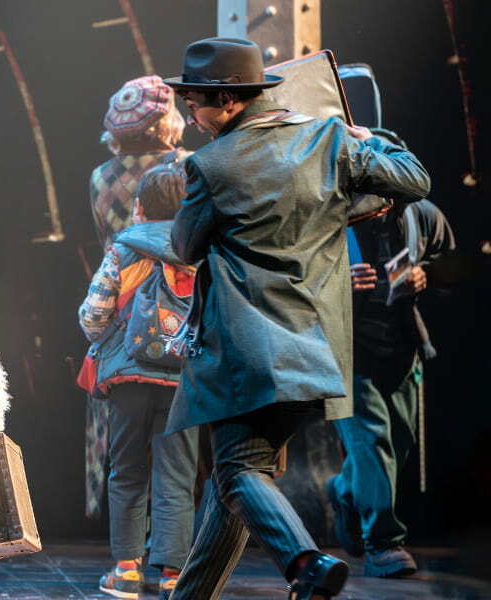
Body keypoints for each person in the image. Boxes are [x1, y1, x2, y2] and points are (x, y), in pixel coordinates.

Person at [161, 38, 431, 599]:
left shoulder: (210, 166)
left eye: (194, 101)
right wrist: (367, 140)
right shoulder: (327, 140)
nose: (189, 112)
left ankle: (306, 562)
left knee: (235, 473)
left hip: (248, 350)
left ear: (229, 100)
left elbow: (184, 246)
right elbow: (414, 180)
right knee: (237, 483)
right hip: (317, 347)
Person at [329, 129, 455, 579]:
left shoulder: (420, 212)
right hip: (348, 345)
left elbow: (454, 262)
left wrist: (428, 274)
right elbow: (291, 273)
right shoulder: (331, 213)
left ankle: (346, 491)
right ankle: (384, 542)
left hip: (402, 344)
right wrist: (338, 281)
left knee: (397, 445)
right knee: (371, 441)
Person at [78, 163, 199, 600]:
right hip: (184, 381)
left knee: (127, 471)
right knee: (177, 476)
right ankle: (173, 576)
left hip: (129, 377)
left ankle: (126, 570)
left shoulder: (124, 250)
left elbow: (93, 316)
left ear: (140, 207)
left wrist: (103, 336)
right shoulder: (200, 251)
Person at [90, 75, 190, 249]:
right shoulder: (188, 164)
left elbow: (103, 237)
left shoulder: (100, 175)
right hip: (179, 274)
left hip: (123, 273)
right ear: (167, 118)